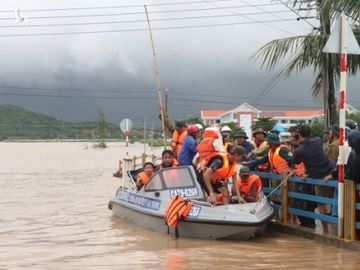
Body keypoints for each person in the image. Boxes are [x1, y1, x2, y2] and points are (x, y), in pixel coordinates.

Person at [292, 125, 335, 233]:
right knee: (335, 201)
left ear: (298, 135)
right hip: (332, 171)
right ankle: (338, 229)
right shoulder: (317, 141)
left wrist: (297, 144)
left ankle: (326, 231)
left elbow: (295, 161)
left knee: (321, 204)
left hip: (319, 178)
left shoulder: (299, 150)